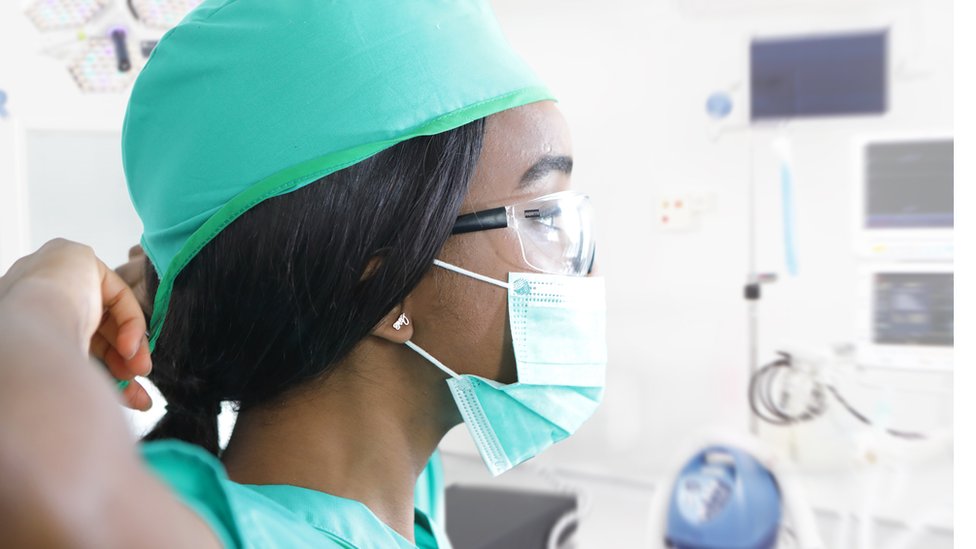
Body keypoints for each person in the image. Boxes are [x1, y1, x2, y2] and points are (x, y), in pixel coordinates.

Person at [0, 0, 607, 547]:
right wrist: (45, 293)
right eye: (543, 216)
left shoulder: (392, 500)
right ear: (379, 280)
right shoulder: (237, 535)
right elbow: (37, 480)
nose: (587, 266)